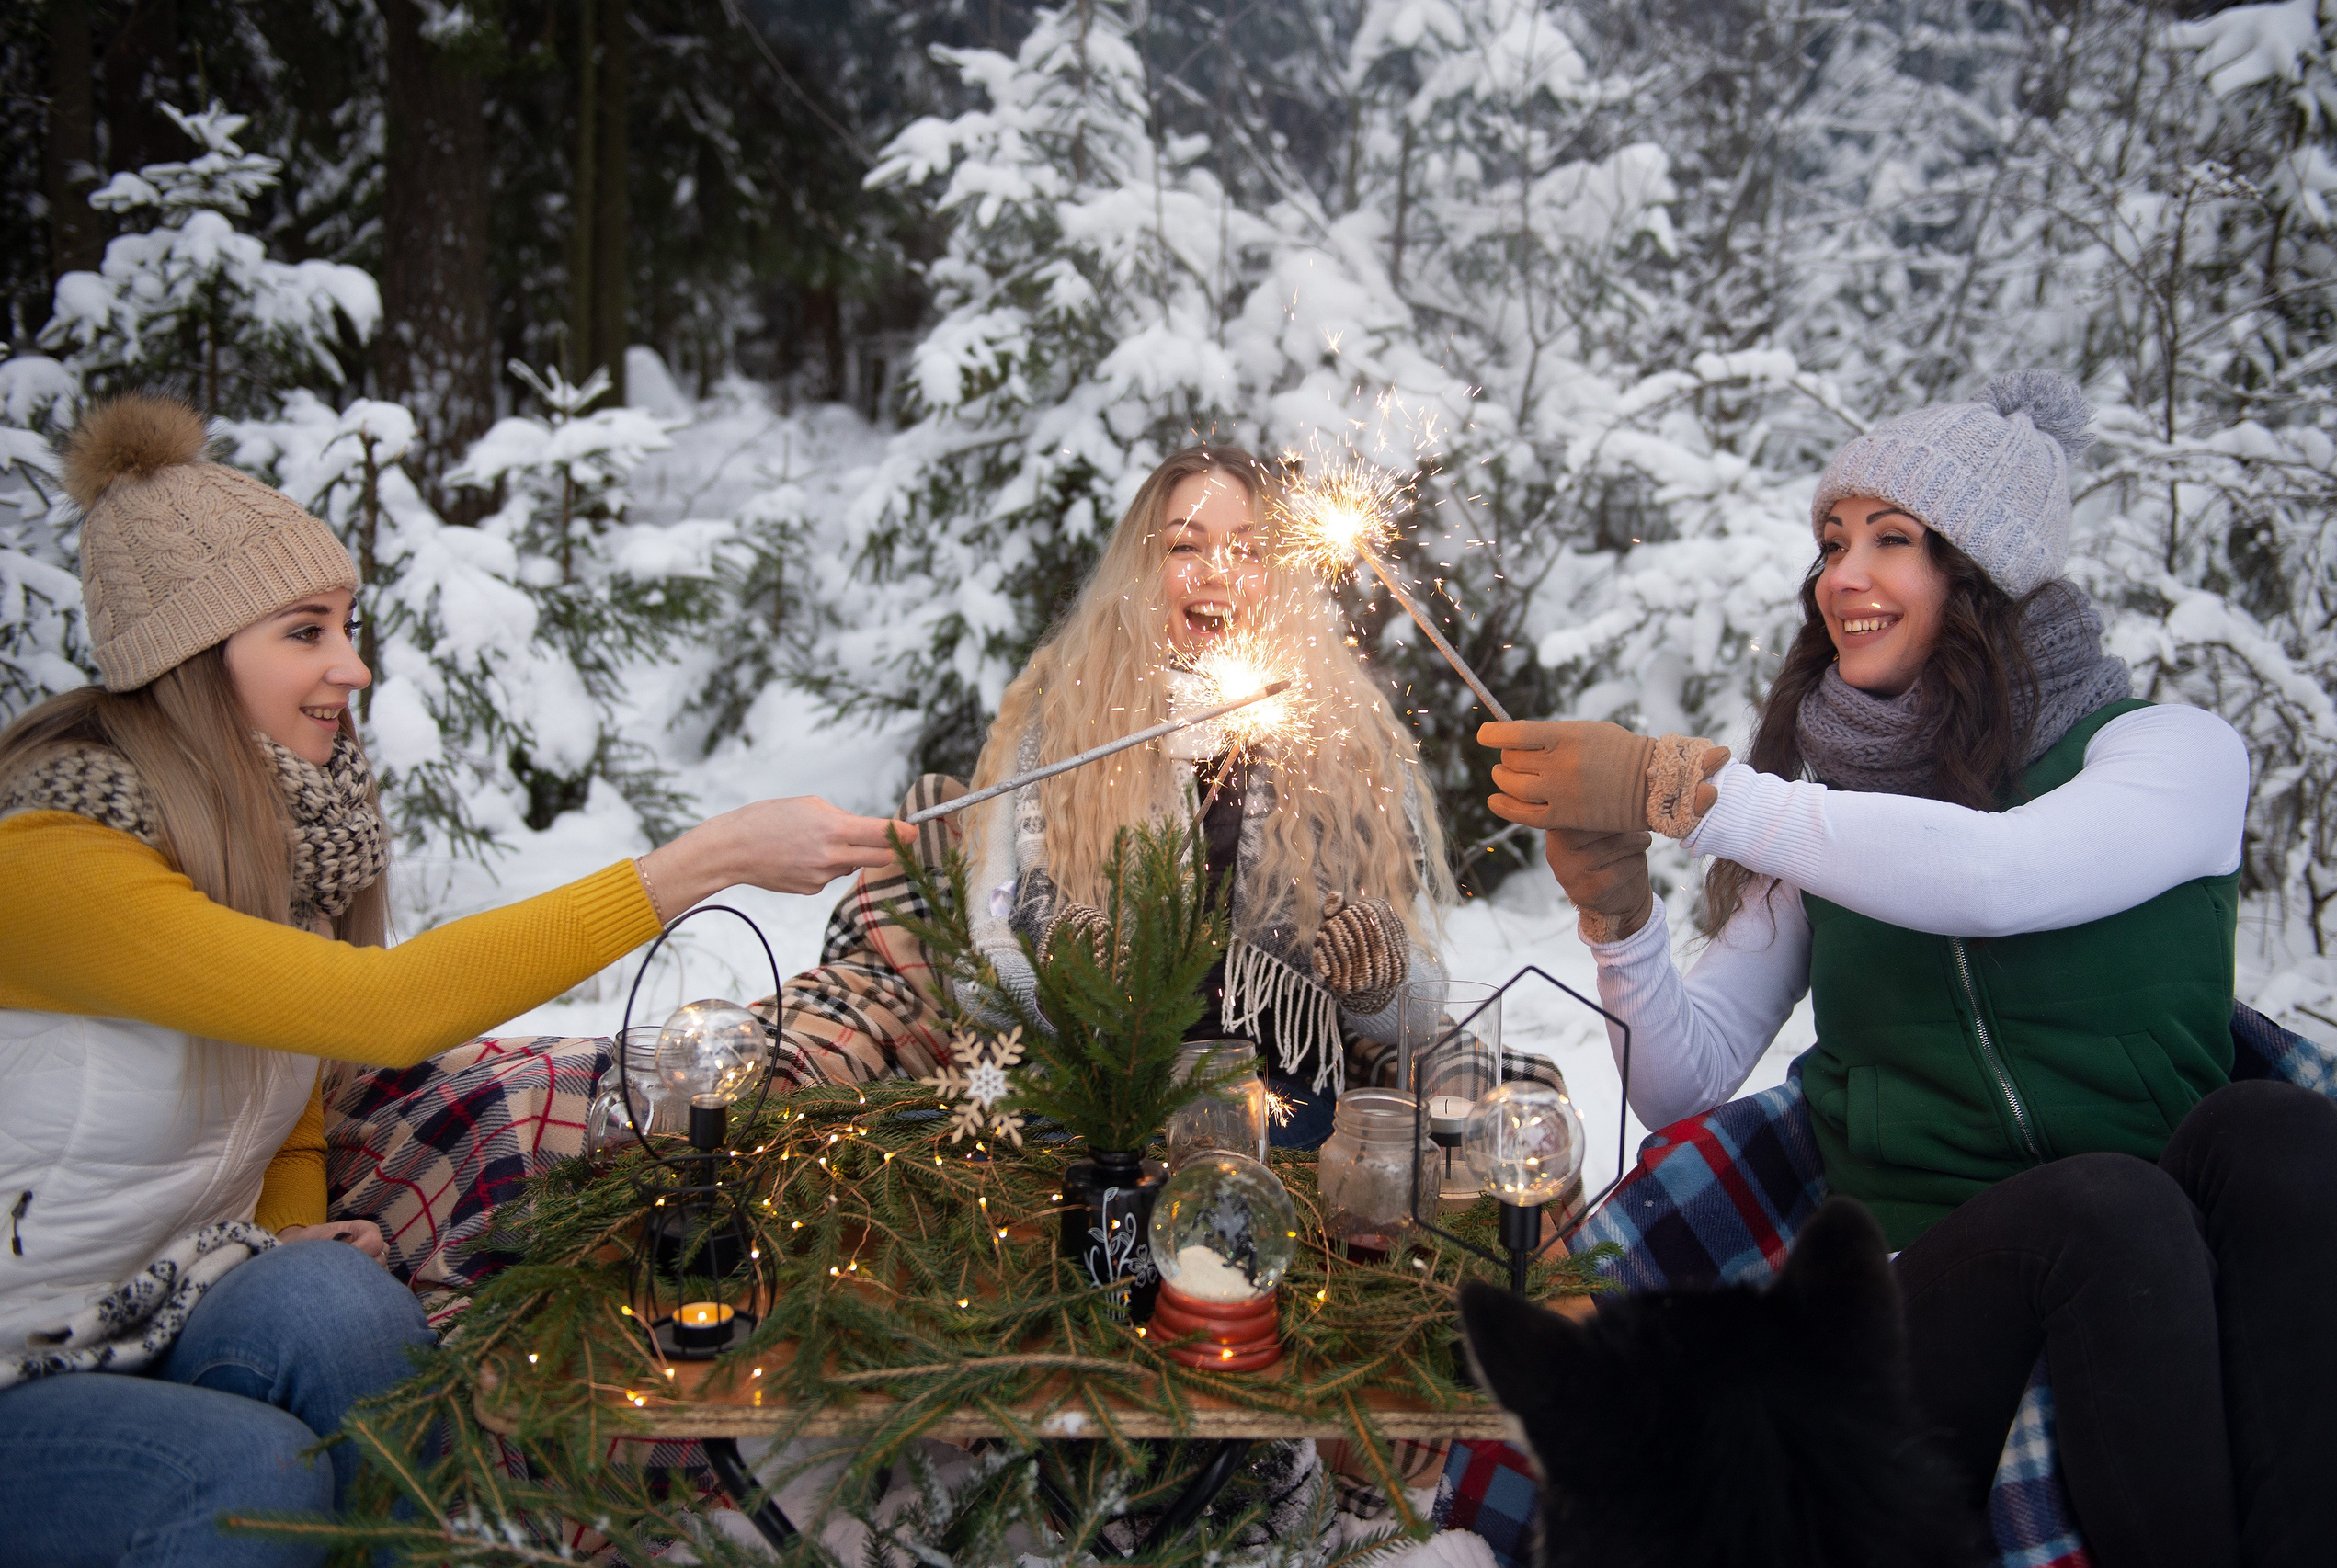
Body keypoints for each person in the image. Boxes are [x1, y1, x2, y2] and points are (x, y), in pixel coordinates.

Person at [0, 392, 906, 1567]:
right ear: (188, 658)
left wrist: (291, 1229)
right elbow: (386, 1010)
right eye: (305, 631)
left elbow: (292, 1094)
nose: (353, 665)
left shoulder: (273, 850)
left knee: (338, 1306)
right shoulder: (48, 868)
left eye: (348, 624)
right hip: (20, 1368)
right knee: (244, 1472)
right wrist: (706, 858)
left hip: (152, 1308)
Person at [1482, 370, 2337, 1567]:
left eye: (1891, 539)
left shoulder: (2170, 753)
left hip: (2165, 1290)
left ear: (1984, 571)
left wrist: (1686, 790)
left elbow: (2000, 875)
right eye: (1834, 541)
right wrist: (1619, 915)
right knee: (2103, 1208)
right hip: (1936, 1296)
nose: (1841, 576)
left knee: (2277, 1133)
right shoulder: (1825, 818)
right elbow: (1685, 1079)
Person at [964, 444, 1457, 1144]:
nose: (1217, 572)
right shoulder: (1060, 727)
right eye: (1184, 546)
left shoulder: (1346, 741)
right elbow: (978, 963)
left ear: (1281, 576)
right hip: (1094, 1101)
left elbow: (1420, 1011)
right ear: (1140, 569)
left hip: (1280, 1106)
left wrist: (1377, 975)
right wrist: (1058, 990)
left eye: (1248, 551)